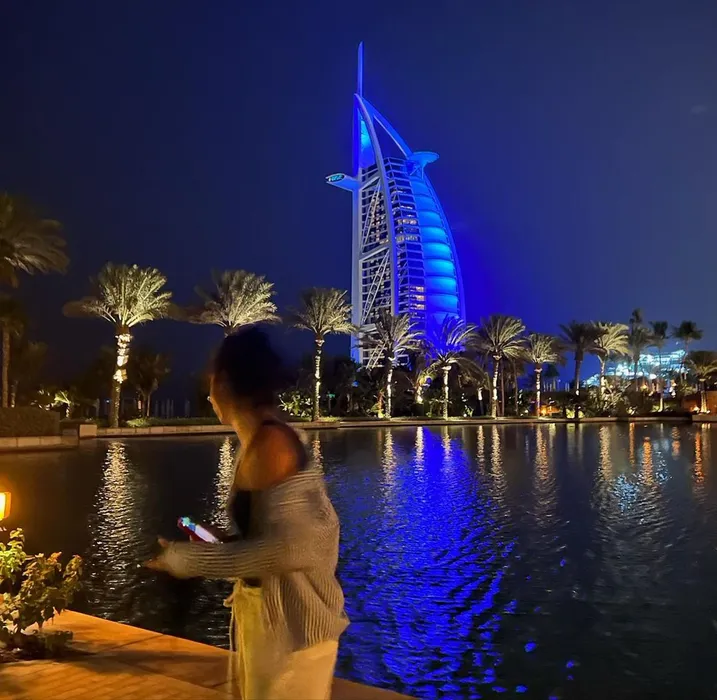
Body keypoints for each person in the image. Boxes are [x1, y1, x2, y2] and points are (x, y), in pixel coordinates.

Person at [147, 327, 348, 700]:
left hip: (296, 636)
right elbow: (269, 543)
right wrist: (221, 543)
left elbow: (293, 549)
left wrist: (187, 560)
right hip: (271, 630)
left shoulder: (274, 444)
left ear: (224, 383)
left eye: (210, 383)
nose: (208, 396)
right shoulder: (257, 443)